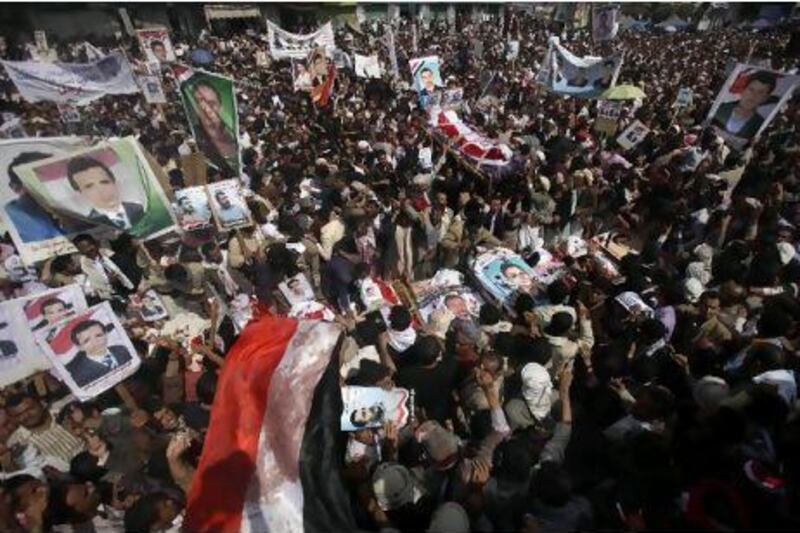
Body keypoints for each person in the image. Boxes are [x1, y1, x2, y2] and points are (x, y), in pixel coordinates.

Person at [66, 156, 144, 230]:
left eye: (105, 182)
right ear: (81, 193)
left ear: (114, 182)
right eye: (89, 187)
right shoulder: (89, 225)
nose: (102, 191)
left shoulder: (140, 208)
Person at [711, 70, 779, 140]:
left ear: (765, 98)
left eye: (760, 92)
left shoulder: (760, 124)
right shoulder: (720, 108)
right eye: (751, 89)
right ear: (743, 90)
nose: (753, 95)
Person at [64, 319, 133, 387]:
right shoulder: (80, 375)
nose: (95, 342)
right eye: (86, 341)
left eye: (98, 335)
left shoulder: (121, 349)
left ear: (106, 335)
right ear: (80, 347)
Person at [189, 80, 238, 173]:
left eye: (211, 104)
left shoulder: (236, 134)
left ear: (220, 106)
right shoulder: (194, 140)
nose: (206, 109)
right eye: (199, 103)